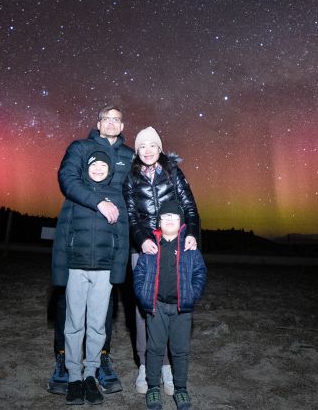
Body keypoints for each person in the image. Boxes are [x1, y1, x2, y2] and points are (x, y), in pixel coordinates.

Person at [49, 105, 135, 395]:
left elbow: (136, 193)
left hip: (108, 250)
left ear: (123, 126)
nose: (111, 123)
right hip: (78, 246)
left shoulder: (130, 155)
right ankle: (65, 364)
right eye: (106, 118)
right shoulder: (81, 147)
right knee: (72, 313)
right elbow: (67, 180)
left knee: (102, 315)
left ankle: (97, 364)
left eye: (117, 119)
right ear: (98, 123)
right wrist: (98, 203)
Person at [123, 126, 201, 396]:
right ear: (137, 151)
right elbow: (132, 217)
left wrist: (191, 234)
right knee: (145, 308)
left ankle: (167, 365)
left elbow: (190, 207)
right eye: (142, 146)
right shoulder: (131, 178)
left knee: (174, 301)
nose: (147, 150)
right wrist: (143, 239)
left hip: (174, 245)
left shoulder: (173, 173)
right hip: (144, 249)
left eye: (152, 145)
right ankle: (146, 365)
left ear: (160, 148)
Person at [58, 150, 129, 405]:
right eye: (93, 164)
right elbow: (62, 234)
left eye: (103, 165)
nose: (98, 168)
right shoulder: (76, 194)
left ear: (110, 170)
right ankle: (74, 377)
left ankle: (90, 373)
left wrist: (118, 272)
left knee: (97, 325)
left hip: (104, 271)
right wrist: (59, 272)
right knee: (74, 323)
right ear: (86, 168)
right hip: (76, 269)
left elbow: (122, 238)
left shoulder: (117, 197)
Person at [133, 200, 207, 410]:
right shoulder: (151, 246)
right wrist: (143, 295)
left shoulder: (189, 246)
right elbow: (139, 274)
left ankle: (181, 389)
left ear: (181, 222)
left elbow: (200, 273)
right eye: (165, 217)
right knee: (155, 348)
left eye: (174, 217)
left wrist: (192, 295)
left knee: (180, 350)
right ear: (159, 221)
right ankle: (153, 387)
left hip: (181, 309)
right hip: (156, 307)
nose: (169, 220)